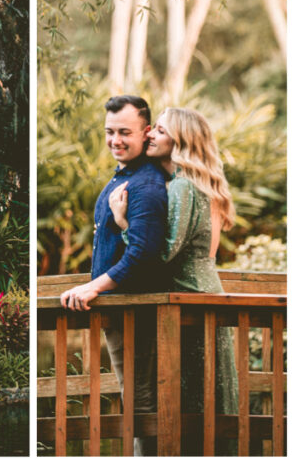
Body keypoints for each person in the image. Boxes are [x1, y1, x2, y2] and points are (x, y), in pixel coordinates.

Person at [109, 107, 238, 455]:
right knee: (209, 396)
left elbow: (164, 252)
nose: (150, 135)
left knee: (194, 399)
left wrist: (123, 223)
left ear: (179, 140)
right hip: (205, 294)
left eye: (160, 131)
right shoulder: (196, 184)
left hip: (191, 300)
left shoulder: (182, 186)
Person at [59, 95, 168, 456]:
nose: (115, 140)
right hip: (121, 311)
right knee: (134, 396)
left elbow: (143, 254)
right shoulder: (126, 176)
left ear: (146, 132)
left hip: (136, 312)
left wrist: (94, 286)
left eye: (124, 132)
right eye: (109, 132)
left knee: (141, 399)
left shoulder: (146, 186)